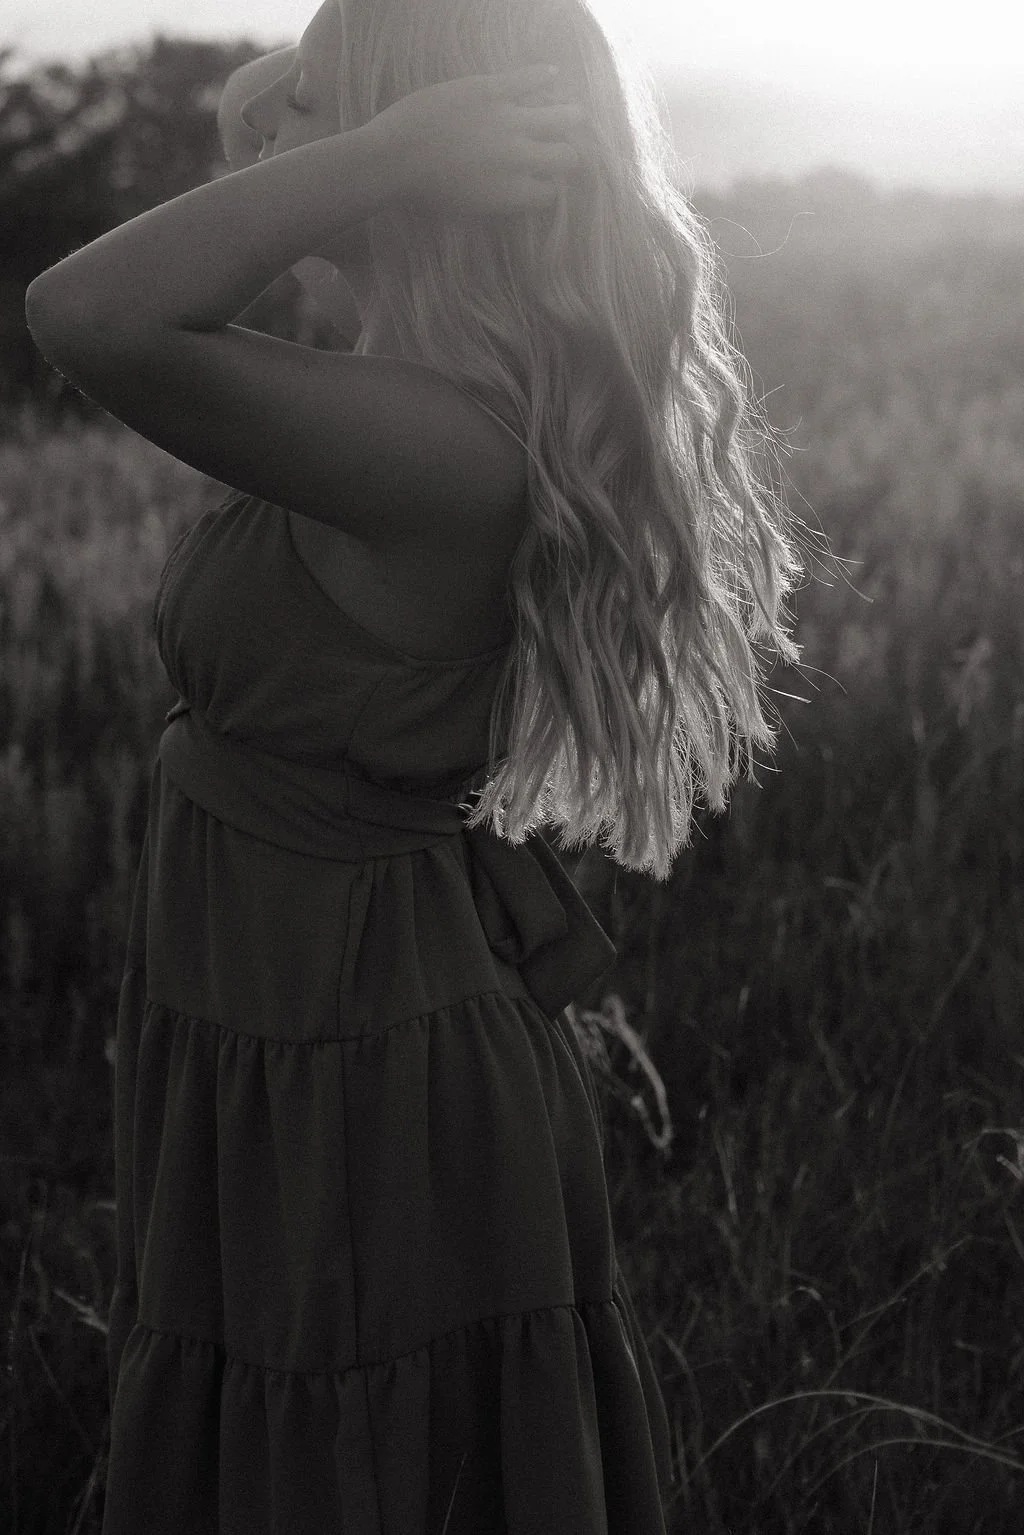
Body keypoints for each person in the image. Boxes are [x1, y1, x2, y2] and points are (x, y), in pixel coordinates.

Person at [26, 2, 807, 1530]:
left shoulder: (440, 445)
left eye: (340, 121)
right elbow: (218, 231)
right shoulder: (404, 385)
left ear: (420, 168)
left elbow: (87, 316)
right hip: (305, 994)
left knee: (351, 1458)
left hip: (358, 1035)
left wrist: (376, 142)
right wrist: (334, 118)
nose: (279, 136)